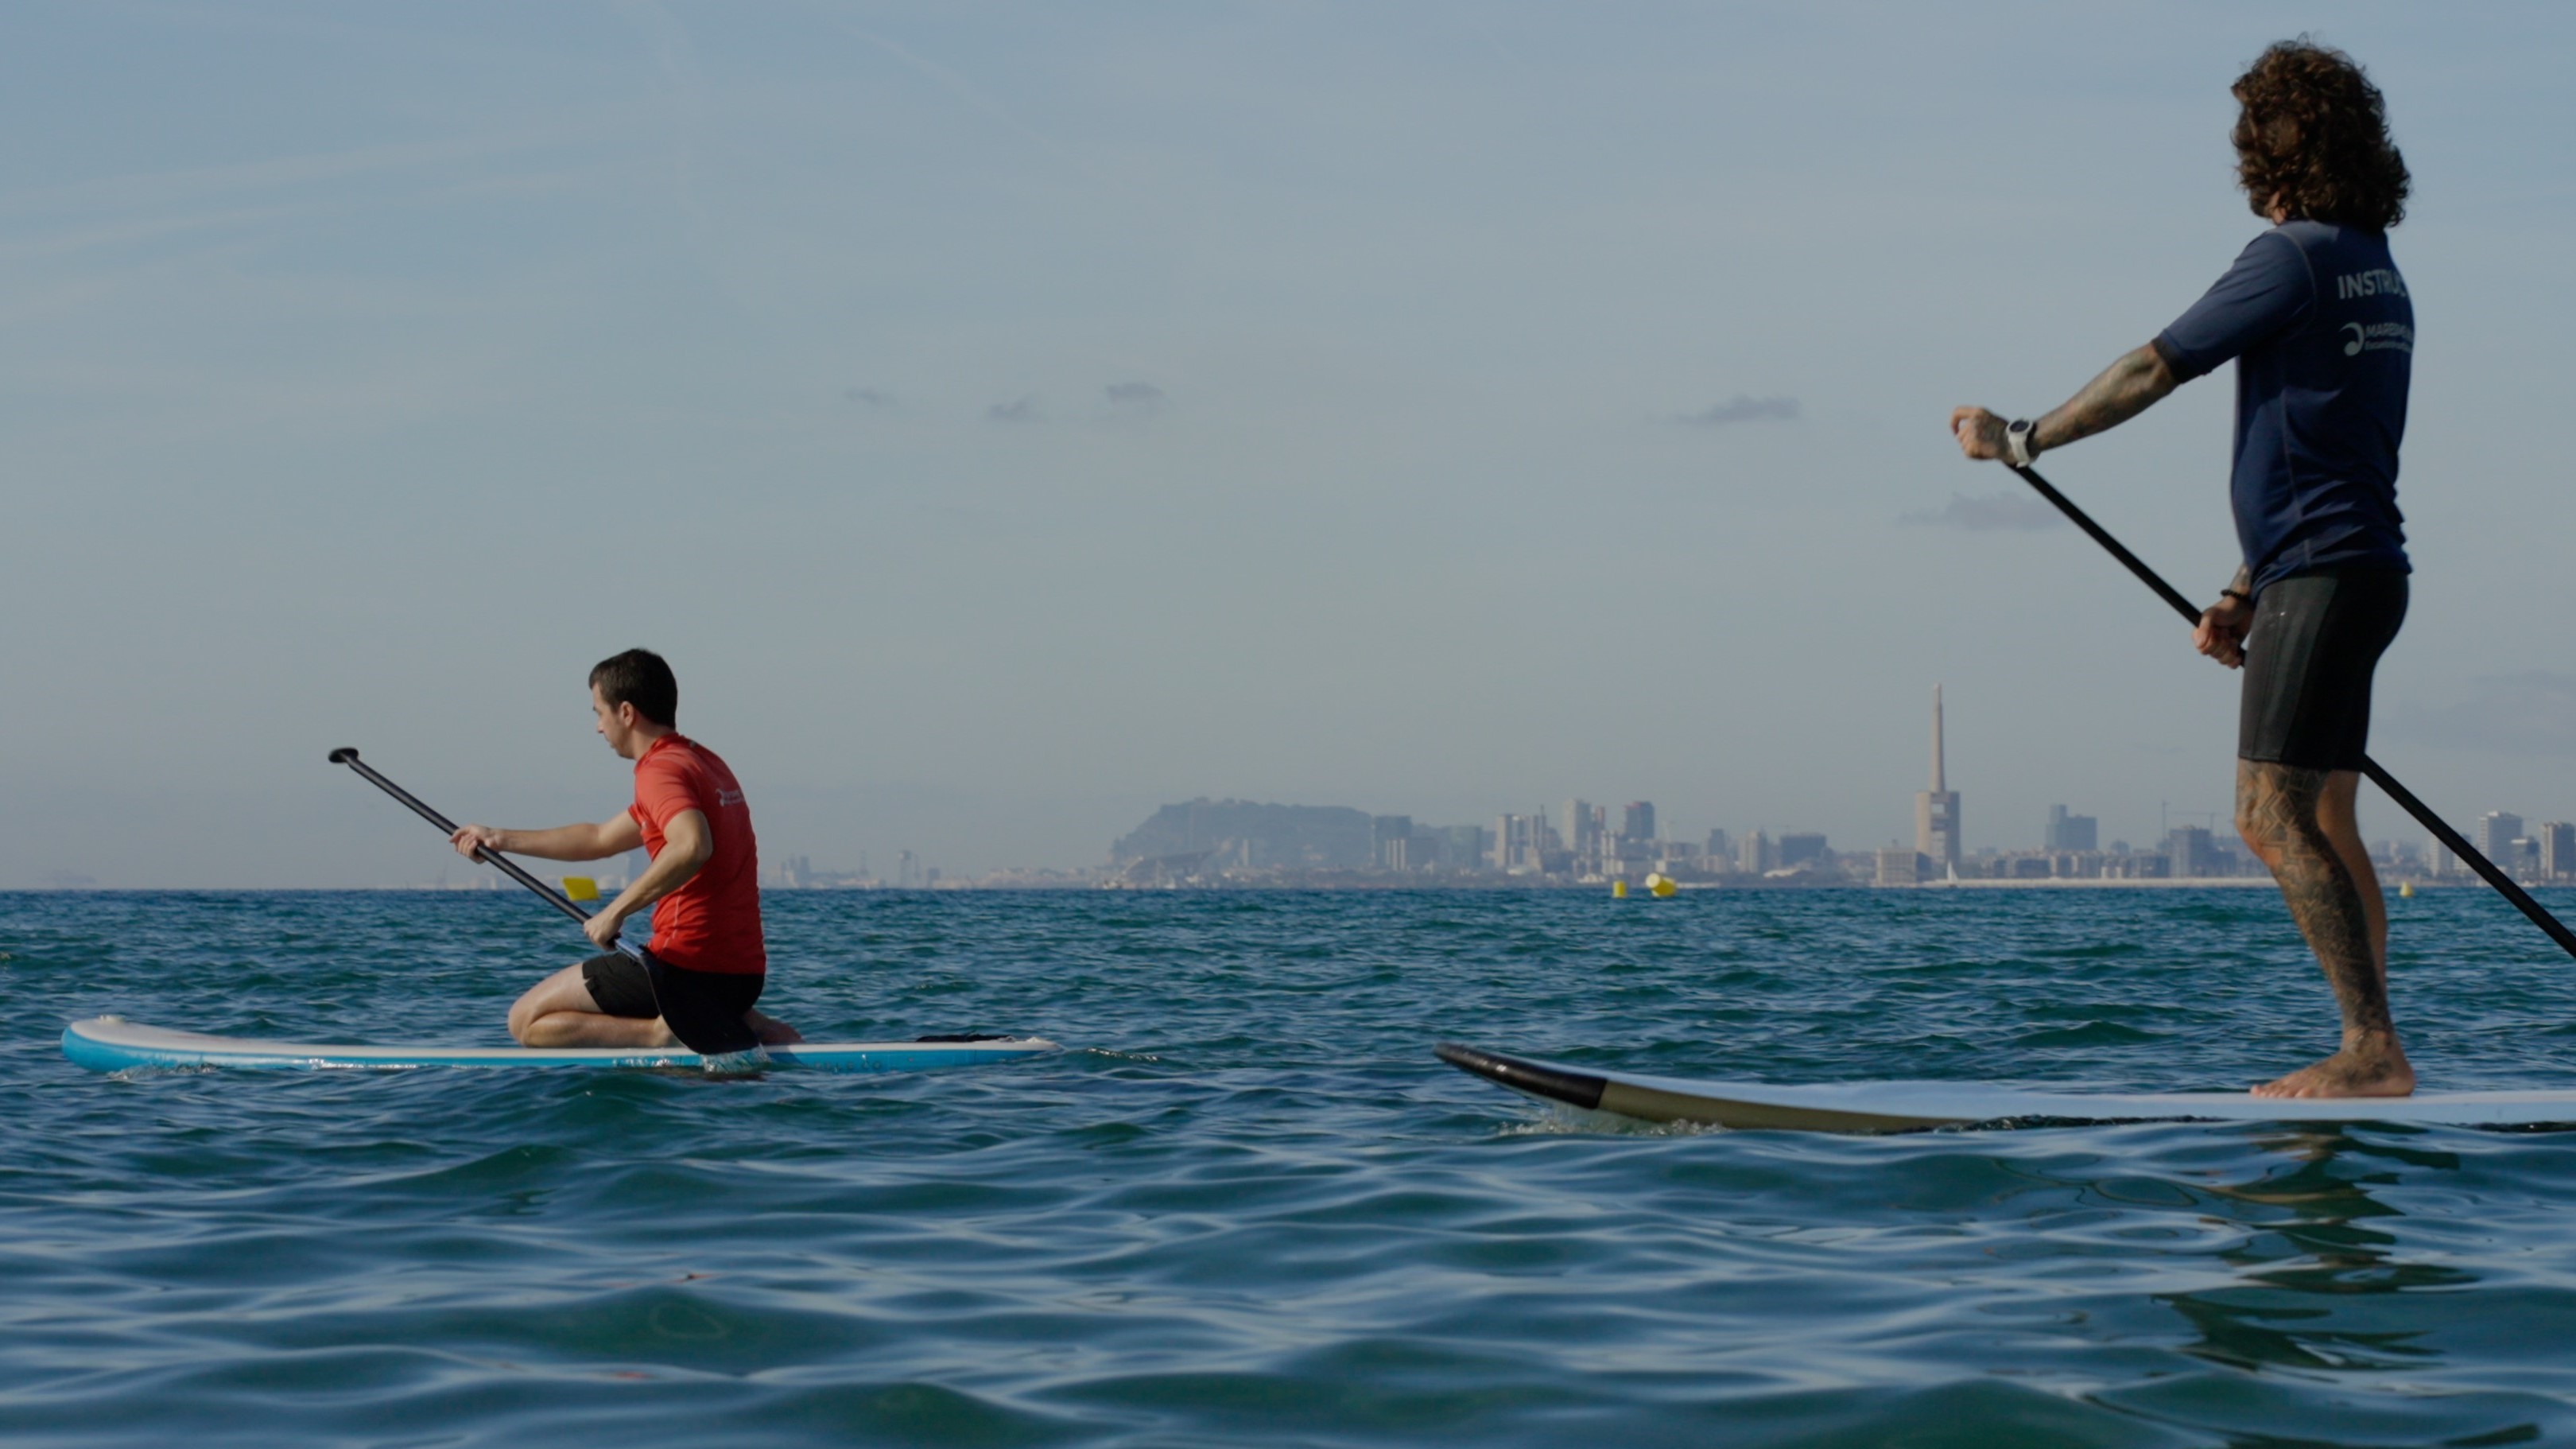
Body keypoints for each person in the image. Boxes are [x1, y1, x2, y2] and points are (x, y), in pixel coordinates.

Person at [1949, 41, 2415, 1098]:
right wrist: (2245, 591)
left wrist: (2022, 437)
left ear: (2275, 153)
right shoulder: (2378, 272)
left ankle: (2372, 1050)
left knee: (2270, 817)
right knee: (2329, 819)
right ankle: (2378, 1048)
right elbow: (2326, 454)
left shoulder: (2290, 258)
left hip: (2324, 581)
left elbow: (2152, 366)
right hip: (2354, 574)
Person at [449, 648, 801, 1054]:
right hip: (741, 975)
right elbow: (599, 838)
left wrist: (615, 912)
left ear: (627, 713)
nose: (598, 727)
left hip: (683, 965)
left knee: (526, 1021)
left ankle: (660, 1034)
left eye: (600, 712)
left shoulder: (659, 771)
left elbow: (692, 846)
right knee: (696, 997)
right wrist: (499, 838)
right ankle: (759, 1029)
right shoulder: (702, 762)